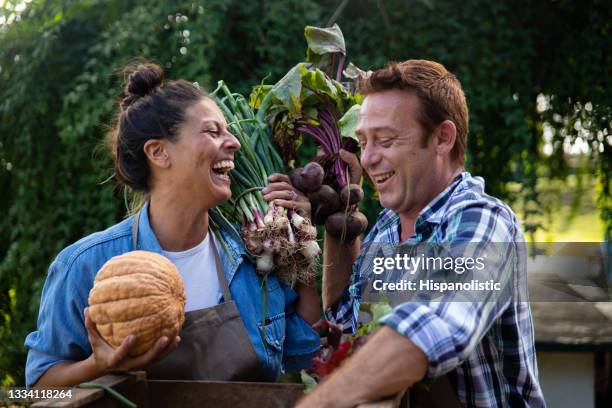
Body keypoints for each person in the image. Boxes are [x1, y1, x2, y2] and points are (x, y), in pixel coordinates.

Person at [24, 63, 320, 387]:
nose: (234, 142)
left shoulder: (251, 255)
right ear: (159, 152)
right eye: (213, 131)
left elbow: (304, 349)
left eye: (228, 130)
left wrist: (302, 243)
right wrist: (98, 365)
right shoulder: (86, 266)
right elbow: (35, 389)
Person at [297, 60, 545, 407]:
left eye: (385, 140)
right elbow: (346, 322)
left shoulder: (485, 223)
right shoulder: (386, 227)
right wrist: (337, 214)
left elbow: (438, 325)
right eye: (364, 141)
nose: (367, 159)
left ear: (443, 138)